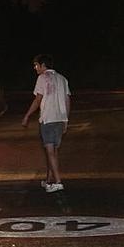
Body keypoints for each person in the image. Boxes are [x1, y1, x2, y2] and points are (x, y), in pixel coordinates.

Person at [22, 54, 71, 193]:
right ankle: (49, 179)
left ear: (43, 65)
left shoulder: (42, 78)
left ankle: (58, 182)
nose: (35, 67)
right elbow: (67, 101)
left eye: (36, 65)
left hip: (48, 119)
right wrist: (66, 120)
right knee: (54, 151)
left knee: (50, 151)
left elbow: (38, 99)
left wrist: (27, 115)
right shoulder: (62, 79)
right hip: (60, 119)